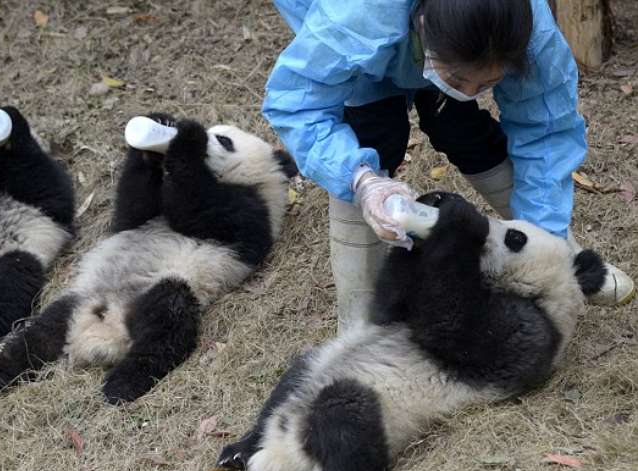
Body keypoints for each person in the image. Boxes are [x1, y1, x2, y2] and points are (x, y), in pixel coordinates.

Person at [263, 0, 635, 332]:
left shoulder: (531, 32)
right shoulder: (359, 16)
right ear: (423, 28)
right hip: (360, 23)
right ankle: (359, 322)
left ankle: (561, 256)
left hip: (447, 31)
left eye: (487, 83)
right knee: (372, 131)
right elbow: (298, 102)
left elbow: (545, 131)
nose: (471, 91)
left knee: (458, 121)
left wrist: (547, 241)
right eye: (458, 79)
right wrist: (361, 180)